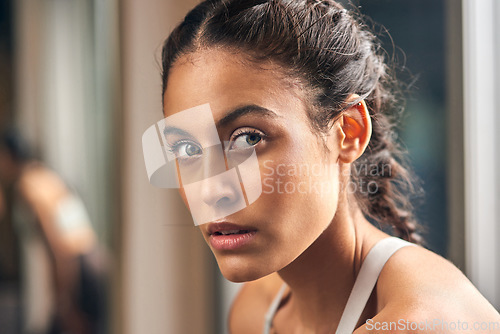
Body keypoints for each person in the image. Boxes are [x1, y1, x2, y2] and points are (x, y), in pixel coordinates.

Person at [153, 0, 500, 333]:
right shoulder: (255, 311)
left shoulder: (421, 323)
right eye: (187, 148)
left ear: (348, 132)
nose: (211, 191)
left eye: (248, 139)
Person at [0, 128, 108, 334]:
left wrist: (64, 300)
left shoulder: (30, 186)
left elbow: (59, 245)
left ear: (8, 156)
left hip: (77, 267)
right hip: (89, 261)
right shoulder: (44, 176)